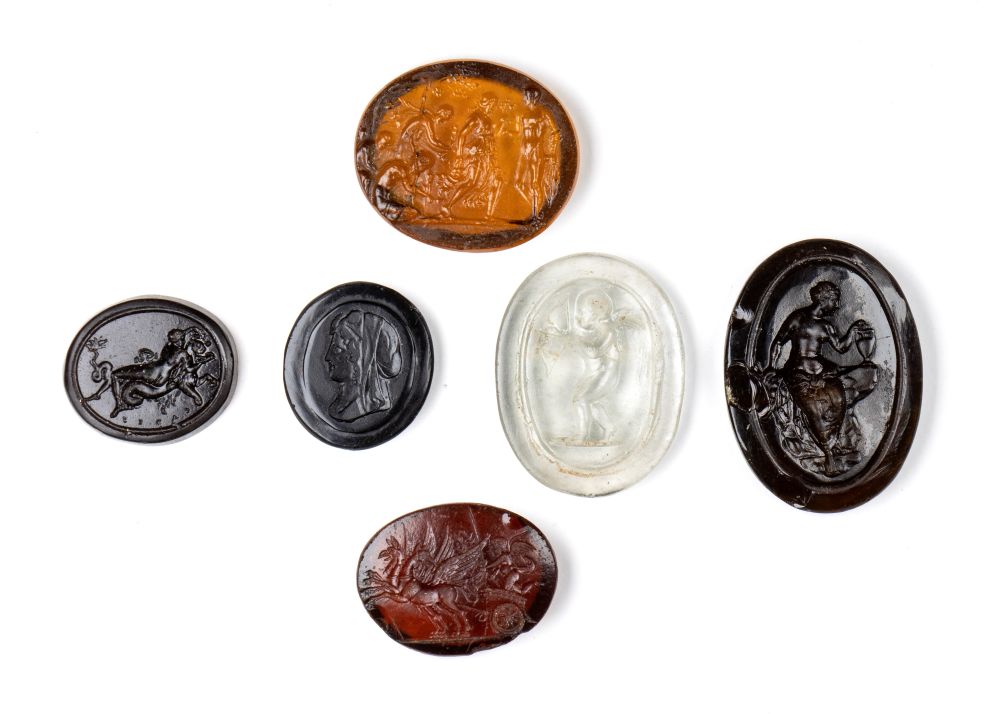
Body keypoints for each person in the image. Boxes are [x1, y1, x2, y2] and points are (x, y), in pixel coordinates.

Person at [768, 281, 878, 474]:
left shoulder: (826, 326)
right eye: (834, 300)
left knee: (836, 396)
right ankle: (827, 451)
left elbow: (841, 347)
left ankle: (837, 442)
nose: (836, 305)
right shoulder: (798, 318)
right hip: (798, 372)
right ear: (823, 299)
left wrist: (853, 332)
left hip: (821, 371)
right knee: (814, 406)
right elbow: (778, 342)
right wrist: (771, 366)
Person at [325, 310, 402, 421]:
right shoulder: (338, 408)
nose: (327, 357)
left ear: (361, 359)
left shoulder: (356, 409)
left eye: (337, 349)